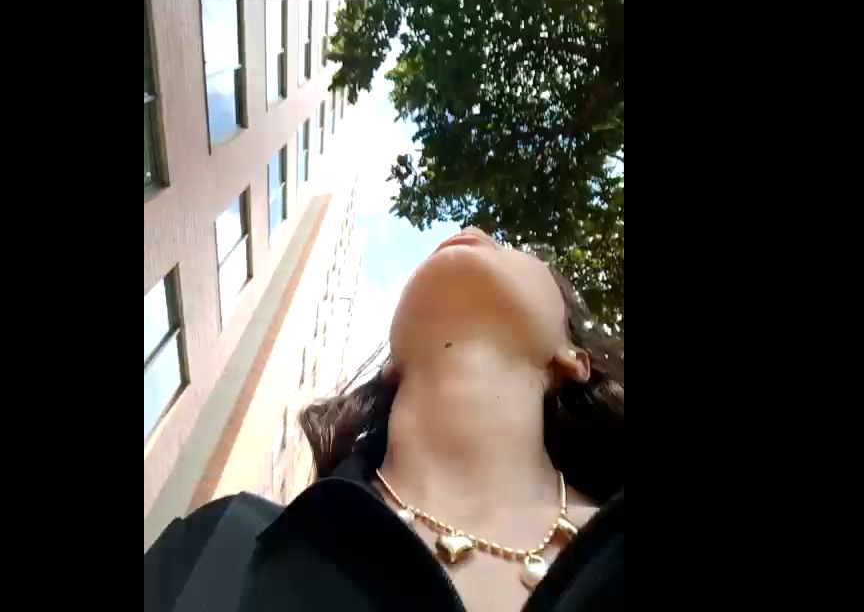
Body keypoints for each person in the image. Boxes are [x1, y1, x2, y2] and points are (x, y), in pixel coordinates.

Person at [144, 227, 624, 612]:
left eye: (516, 248)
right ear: (390, 364)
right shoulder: (221, 543)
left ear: (574, 359)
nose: (472, 231)